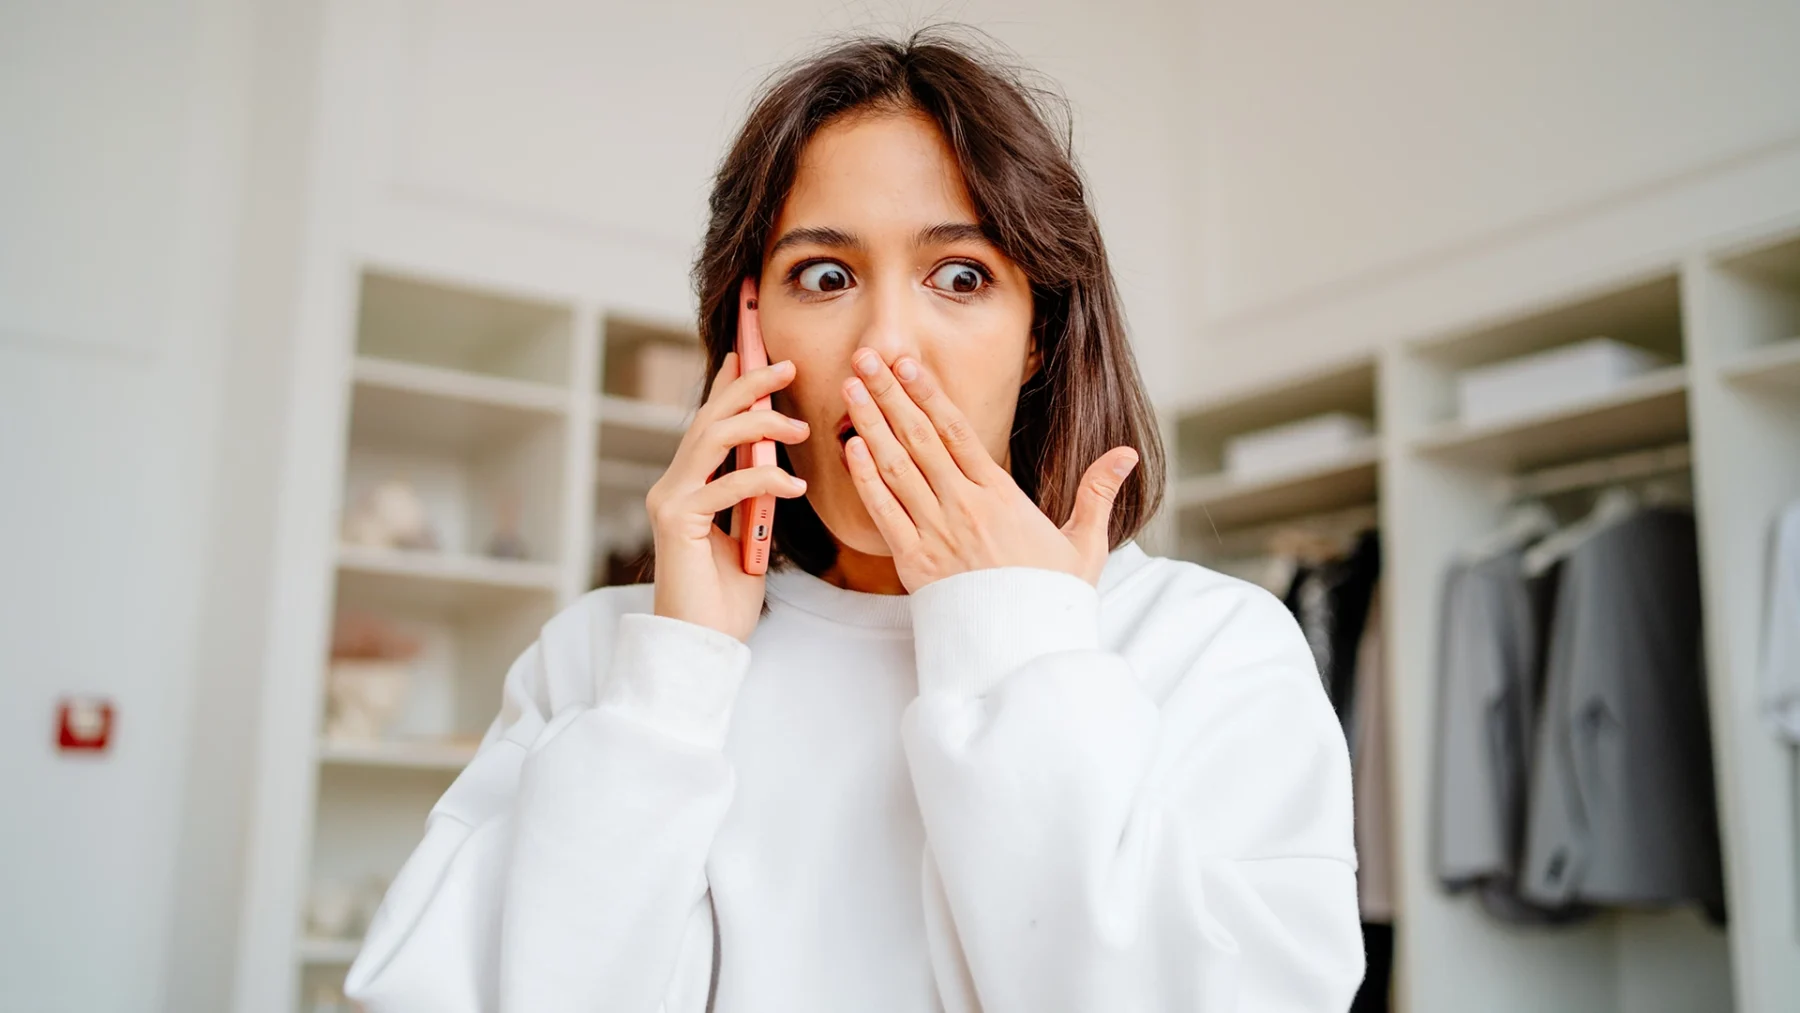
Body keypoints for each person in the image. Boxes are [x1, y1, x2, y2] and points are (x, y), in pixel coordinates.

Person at [346, 28, 1362, 1013]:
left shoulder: (1210, 646)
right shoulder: (604, 655)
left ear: (1039, 337)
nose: (887, 349)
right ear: (749, 331)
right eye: (825, 277)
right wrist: (674, 677)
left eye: (960, 276)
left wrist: (1016, 639)